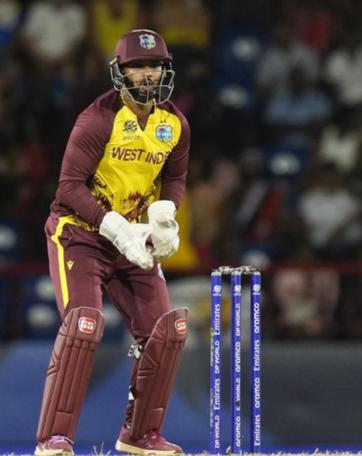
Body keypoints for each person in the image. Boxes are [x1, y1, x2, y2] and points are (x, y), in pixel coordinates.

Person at [35, 29, 190, 456]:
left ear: (166, 69)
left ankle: (140, 437)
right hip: (79, 235)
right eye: (136, 66)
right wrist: (115, 227)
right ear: (119, 73)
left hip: (134, 238)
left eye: (153, 65)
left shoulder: (173, 123)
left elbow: (174, 178)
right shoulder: (98, 119)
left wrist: (165, 215)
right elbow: (67, 189)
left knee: (166, 331)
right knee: (84, 324)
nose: (146, 74)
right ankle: (55, 440)